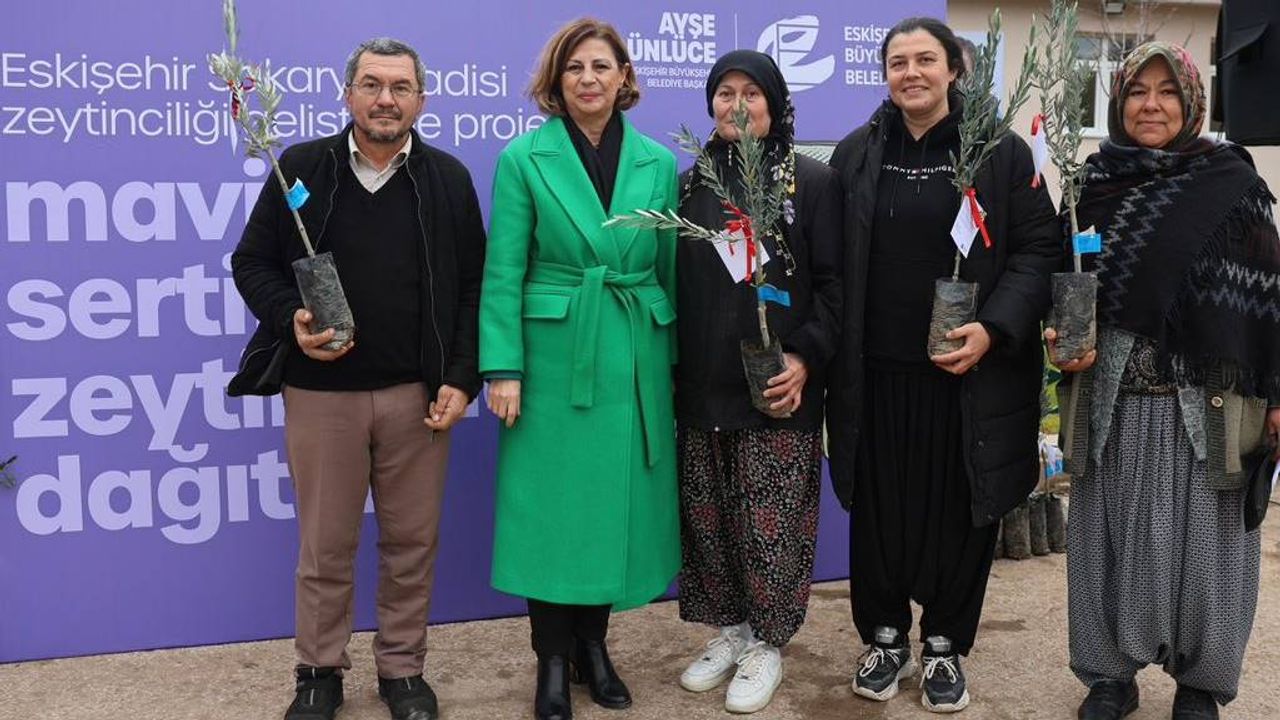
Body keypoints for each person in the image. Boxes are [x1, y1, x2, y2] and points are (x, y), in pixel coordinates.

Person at [230, 37, 485, 720]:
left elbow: (473, 289)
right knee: (325, 546)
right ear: (348, 94)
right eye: (371, 84)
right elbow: (251, 263)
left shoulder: (448, 179)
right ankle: (318, 671)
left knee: (411, 544)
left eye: (400, 87)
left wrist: (461, 377)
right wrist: (290, 319)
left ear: (421, 100)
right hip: (322, 397)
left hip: (418, 397)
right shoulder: (300, 167)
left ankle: (403, 671)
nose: (385, 99)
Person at [825, 16, 1060, 713]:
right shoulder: (857, 153)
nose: (912, 73)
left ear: (954, 70)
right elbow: (831, 261)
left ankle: (944, 645)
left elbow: (1038, 251)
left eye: (925, 59)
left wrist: (994, 328)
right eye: (898, 62)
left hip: (967, 378)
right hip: (876, 375)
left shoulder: (1002, 153)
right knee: (880, 513)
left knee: (960, 514)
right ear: (884, 74)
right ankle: (885, 637)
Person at [1051, 42, 1280, 720]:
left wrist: (1277, 396)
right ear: (1118, 103)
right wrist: (1056, 334)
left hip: (1206, 408)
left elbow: (1269, 298)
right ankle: (1109, 678)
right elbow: (1059, 284)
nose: (1151, 105)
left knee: (1210, 547)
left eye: (1168, 91)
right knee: (1104, 541)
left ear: (1193, 102)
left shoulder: (1233, 187)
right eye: (1136, 91)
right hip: (1112, 403)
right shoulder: (1090, 187)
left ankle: (1201, 684)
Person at [478, 18, 680, 720]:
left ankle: (595, 648)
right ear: (555, 82)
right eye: (574, 68)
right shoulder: (523, 158)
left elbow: (669, 270)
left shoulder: (658, 161)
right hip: (553, 358)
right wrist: (503, 367)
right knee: (553, 514)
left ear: (624, 77)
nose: (588, 79)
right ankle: (552, 662)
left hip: (633, 353)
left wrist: (671, 365)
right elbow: (504, 269)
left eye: (601, 66)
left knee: (610, 511)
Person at [671, 50, 842, 714]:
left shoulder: (812, 182)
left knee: (771, 525)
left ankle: (769, 643)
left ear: (774, 104)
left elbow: (836, 289)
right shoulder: (689, 186)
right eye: (724, 92)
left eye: (751, 93)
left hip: (778, 388)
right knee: (711, 522)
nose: (736, 105)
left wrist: (804, 358)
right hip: (702, 389)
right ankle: (733, 632)